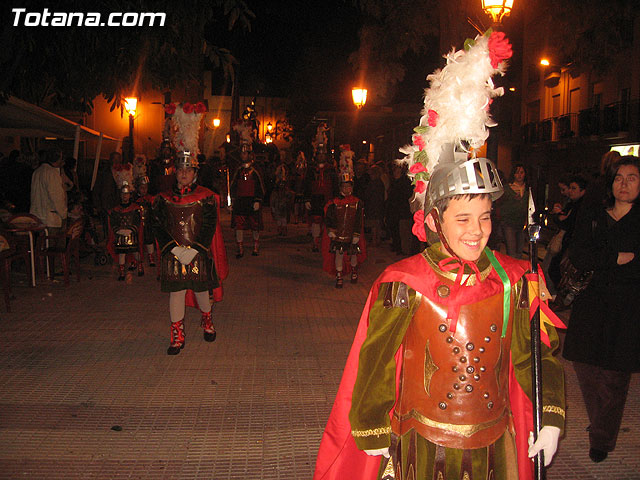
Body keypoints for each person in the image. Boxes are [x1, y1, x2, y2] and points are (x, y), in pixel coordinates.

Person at [314, 31, 565, 480]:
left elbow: (534, 357)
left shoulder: (516, 280)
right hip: (422, 446)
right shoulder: (402, 282)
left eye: (485, 217)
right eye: (463, 219)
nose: (477, 231)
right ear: (433, 222)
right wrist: (372, 434)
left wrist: (550, 416)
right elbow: (375, 365)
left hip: (497, 443)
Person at [562, 155, 640, 464]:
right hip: (591, 303)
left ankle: (602, 438)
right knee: (585, 368)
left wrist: (607, 258)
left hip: (628, 307)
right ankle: (601, 424)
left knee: (614, 378)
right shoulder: (594, 212)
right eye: (618, 178)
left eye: (632, 178)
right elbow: (579, 253)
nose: (623, 184)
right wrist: (614, 258)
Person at [152, 151, 228, 355]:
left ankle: (207, 320)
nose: (184, 173)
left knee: (201, 291)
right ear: (174, 172)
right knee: (176, 293)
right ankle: (177, 335)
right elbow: (157, 225)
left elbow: (209, 225)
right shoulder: (163, 199)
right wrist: (173, 248)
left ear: (195, 172)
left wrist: (195, 249)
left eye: (188, 169)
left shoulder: (206, 197)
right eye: (180, 170)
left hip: (198, 253)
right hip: (173, 254)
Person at [547, 174, 588, 300]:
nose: (570, 191)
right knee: (553, 268)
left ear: (582, 191)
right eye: (569, 188)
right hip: (567, 241)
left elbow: (568, 223)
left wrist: (559, 217)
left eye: (574, 188)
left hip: (572, 244)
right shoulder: (572, 204)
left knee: (559, 269)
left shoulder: (581, 206)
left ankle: (561, 295)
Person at [322, 172, 366, 288]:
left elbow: (358, 220)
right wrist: (330, 230)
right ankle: (339, 275)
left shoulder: (357, 203)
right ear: (340, 187)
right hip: (338, 235)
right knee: (339, 254)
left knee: (353, 255)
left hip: (352, 234)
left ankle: (354, 271)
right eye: (344, 186)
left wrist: (357, 234)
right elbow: (329, 218)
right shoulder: (334, 203)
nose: (347, 189)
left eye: (349, 186)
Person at [230, 143, 265, 258]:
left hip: (252, 201)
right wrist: (231, 201)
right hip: (240, 201)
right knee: (239, 225)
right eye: (242, 153)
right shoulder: (238, 170)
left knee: (255, 225)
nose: (243, 155)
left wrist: (258, 200)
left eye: (245, 153)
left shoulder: (255, 170)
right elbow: (233, 186)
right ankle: (240, 248)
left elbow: (260, 187)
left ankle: (256, 246)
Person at [107, 181, 143, 280]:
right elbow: (113, 222)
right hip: (120, 237)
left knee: (136, 252)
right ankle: (122, 272)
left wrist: (131, 230)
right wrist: (118, 230)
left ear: (130, 195)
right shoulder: (115, 210)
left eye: (126, 194)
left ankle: (140, 266)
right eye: (123, 194)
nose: (124, 196)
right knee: (121, 254)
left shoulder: (135, 209)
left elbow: (137, 222)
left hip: (132, 236)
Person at [304, 146, 337, 252]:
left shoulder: (331, 169)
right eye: (319, 154)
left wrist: (337, 199)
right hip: (315, 198)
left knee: (330, 222)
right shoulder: (311, 169)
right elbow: (307, 185)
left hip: (329, 198)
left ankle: (330, 243)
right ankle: (315, 242)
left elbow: (335, 185)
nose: (321, 156)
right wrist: (307, 199)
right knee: (316, 221)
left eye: (323, 154)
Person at [30, 149, 68, 235]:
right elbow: (57, 197)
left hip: (37, 216)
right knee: (53, 246)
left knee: (41, 245)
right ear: (58, 159)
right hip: (50, 219)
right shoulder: (52, 173)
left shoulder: (37, 171)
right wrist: (64, 215)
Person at [498, 163, 528, 258]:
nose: (519, 175)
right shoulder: (507, 189)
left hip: (521, 223)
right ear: (513, 175)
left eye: (521, 172)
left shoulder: (527, 189)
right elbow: (500, 204)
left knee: (519, 251)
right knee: (511, 251)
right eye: (517, 173)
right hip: (508, 223)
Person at [134, 175, 156, 267]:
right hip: (138, 225)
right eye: (142, 188)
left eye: (145, 188)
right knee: (136, 241)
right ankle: (136, 259)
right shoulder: (134, 200)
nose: (144, 190)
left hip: (148, 224)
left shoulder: (150, 199)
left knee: (149, 239)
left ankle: (151, 257)